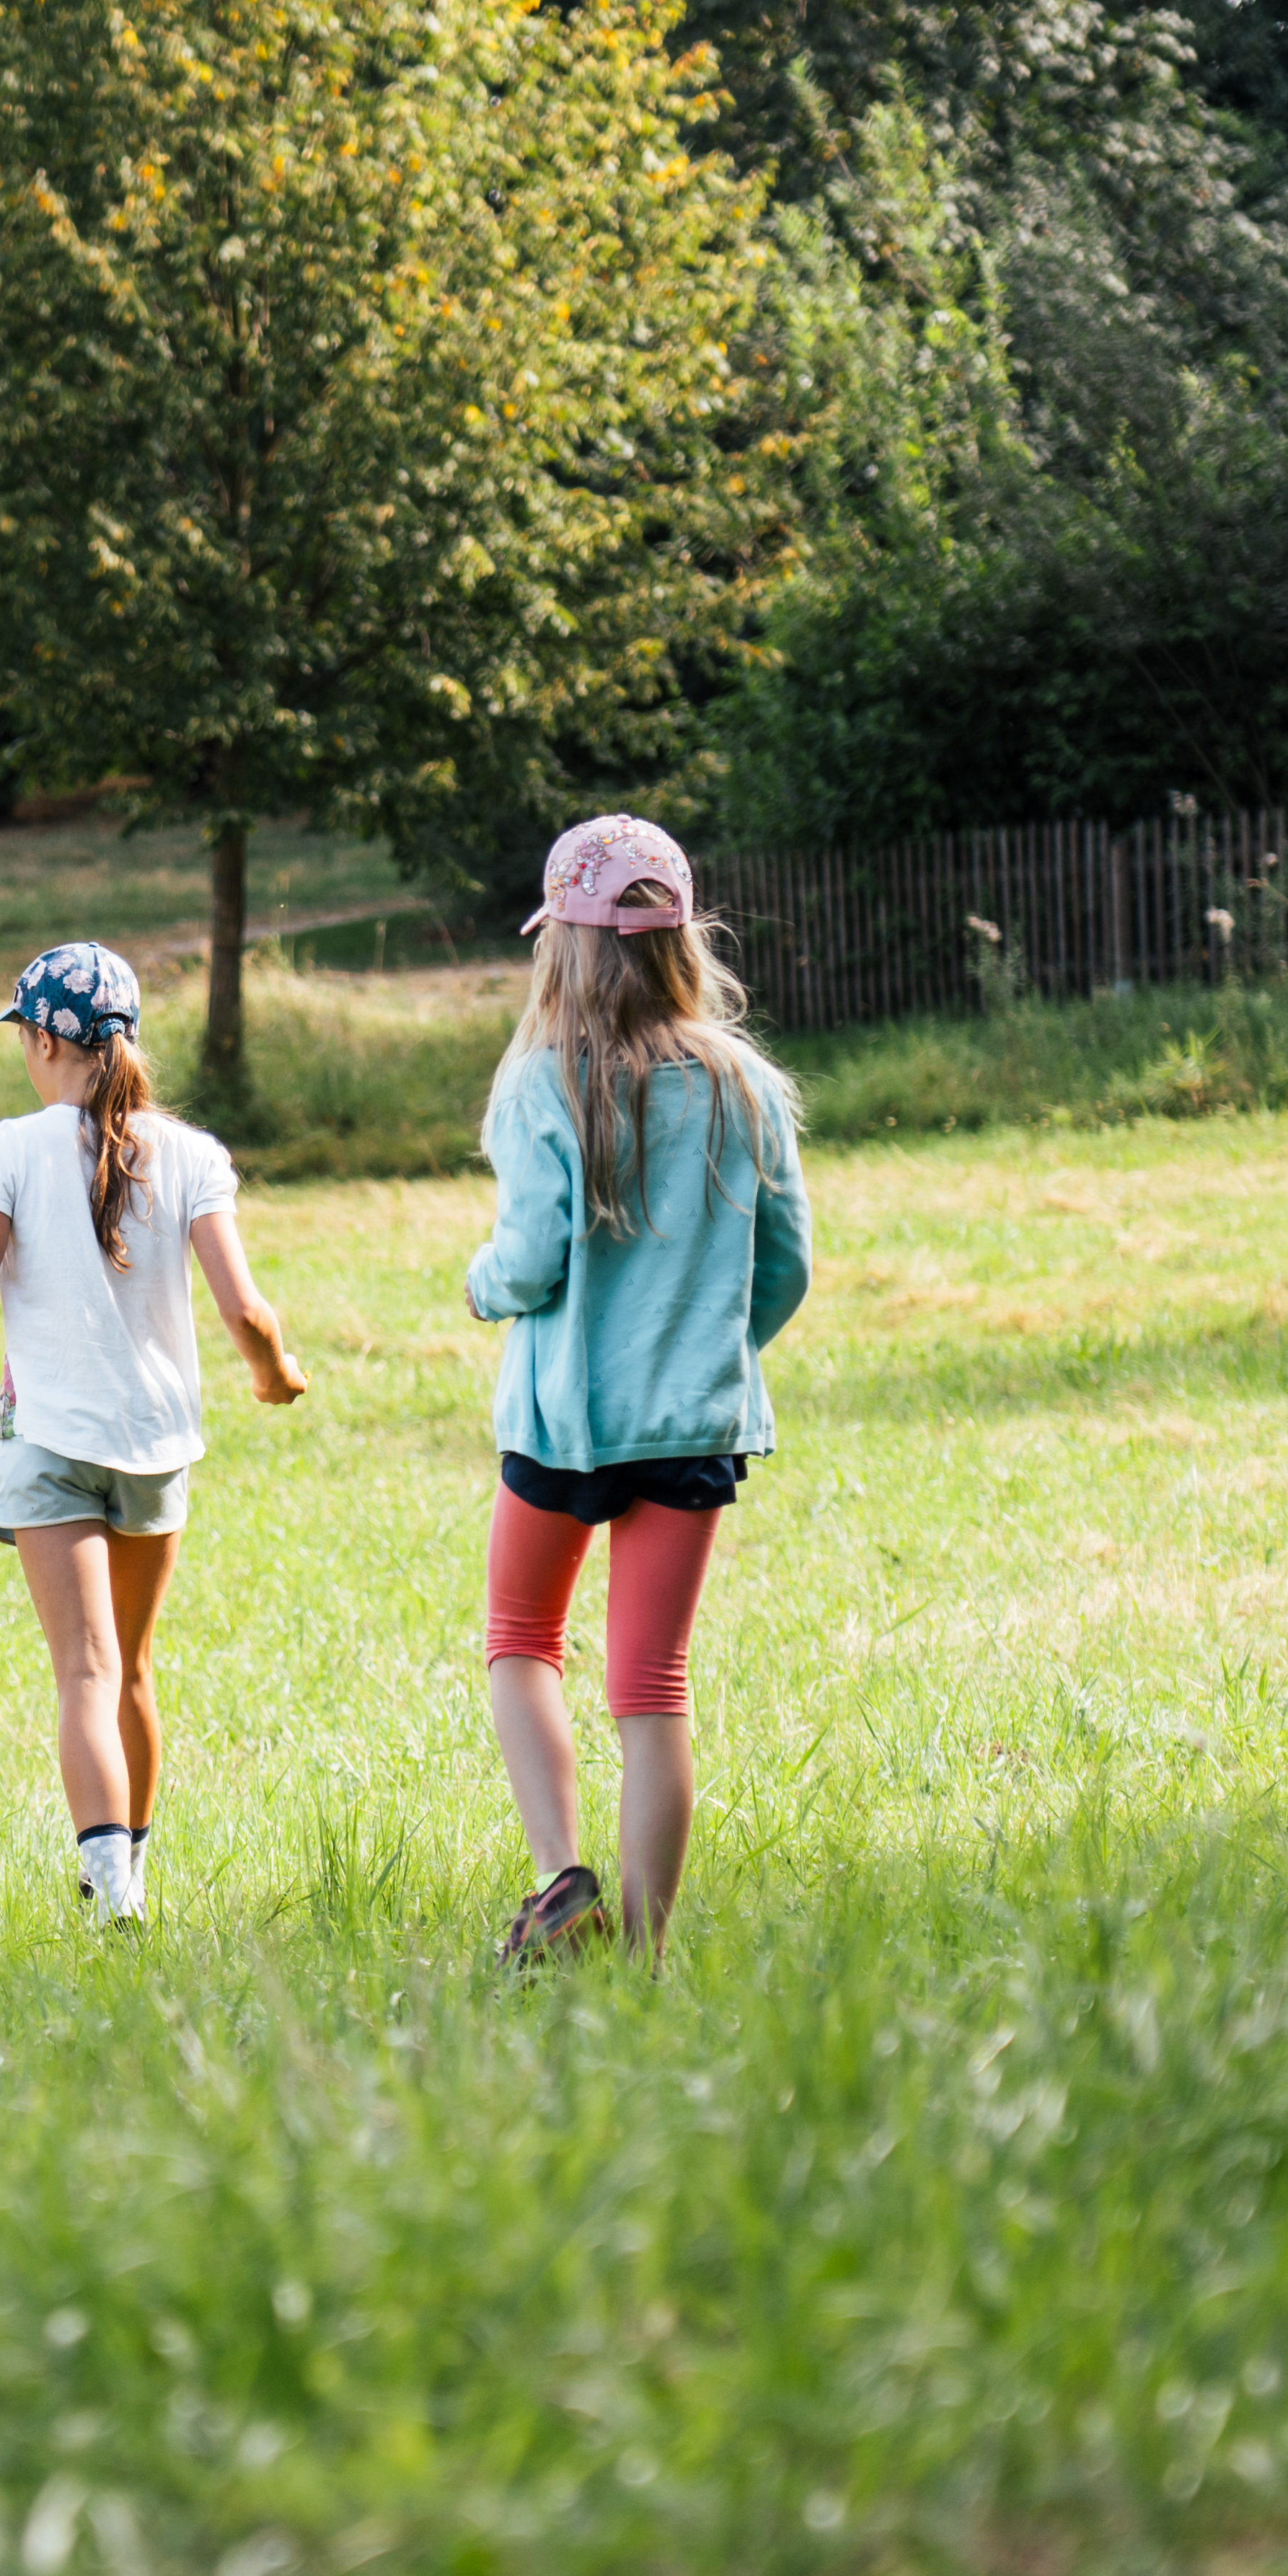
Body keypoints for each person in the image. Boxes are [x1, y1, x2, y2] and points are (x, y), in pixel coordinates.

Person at [466, 817, 811, 1965]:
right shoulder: (746, 1084)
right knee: (652, 1686)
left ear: (560, 946)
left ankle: (562, 1877)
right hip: (694, 1427)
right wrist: (712, 1348)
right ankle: (649, 1956)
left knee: (522, 1641)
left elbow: (530, 1256)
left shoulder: (540, 1083)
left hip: (565, 1430)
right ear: (682, 941)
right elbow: (784, 1267)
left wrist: (481, 1288)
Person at [0, 941, 307, 1926]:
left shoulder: (8, 1147)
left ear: (47, 1038)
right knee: (129, 1670)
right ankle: (135, 1874)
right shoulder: (193, 1154)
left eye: (24, 1037)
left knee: (81, 1673)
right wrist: (274, 1373)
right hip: (155, 1446)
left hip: (52, 1439)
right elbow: (246, 1311)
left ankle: (110, 1902)